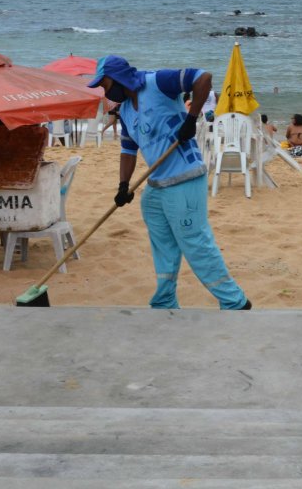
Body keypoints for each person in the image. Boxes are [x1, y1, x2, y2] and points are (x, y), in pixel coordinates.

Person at [88, 55, 252, 311]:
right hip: (156, 185)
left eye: (104, 84)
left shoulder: (157, 82)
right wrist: (123, 185)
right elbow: (128, 150)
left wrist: (191, 119)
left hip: (185, 176)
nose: (104, 91)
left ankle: (235, 302)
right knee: (163, 243)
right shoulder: (126, 110)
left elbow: (203, 78)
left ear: (117, 77)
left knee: (194, 241)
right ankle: (165, 301)